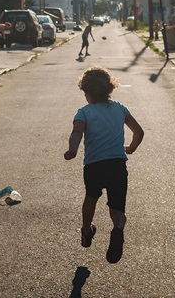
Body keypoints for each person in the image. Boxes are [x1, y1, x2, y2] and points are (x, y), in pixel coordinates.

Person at [64, 66, 145, 264]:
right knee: (117, 209)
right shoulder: (119, 108)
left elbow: (77, 132)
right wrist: (131, 148)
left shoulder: (84, 112)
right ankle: (118, 228)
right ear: (110, 89)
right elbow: (139, 132)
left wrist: (72, 149)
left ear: (87, 92)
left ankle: (86, 230)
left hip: (94, 165)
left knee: (91, 198)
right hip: (117, 165)